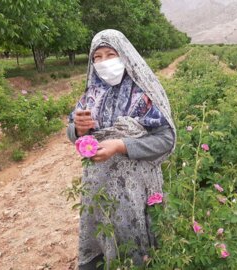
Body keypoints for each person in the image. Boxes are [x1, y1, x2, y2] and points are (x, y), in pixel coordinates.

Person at [66, 29, 176, 270]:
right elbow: (71, 131)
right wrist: (78, 129)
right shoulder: (90, 95)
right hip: (98, 183)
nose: (104, 62)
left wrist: (121, 145)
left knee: (132, 236)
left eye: (110, 54)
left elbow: (166, 139)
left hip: (135, 185)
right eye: (98, 57)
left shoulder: (144, 95)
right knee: (102, 231)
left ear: (125, 55)